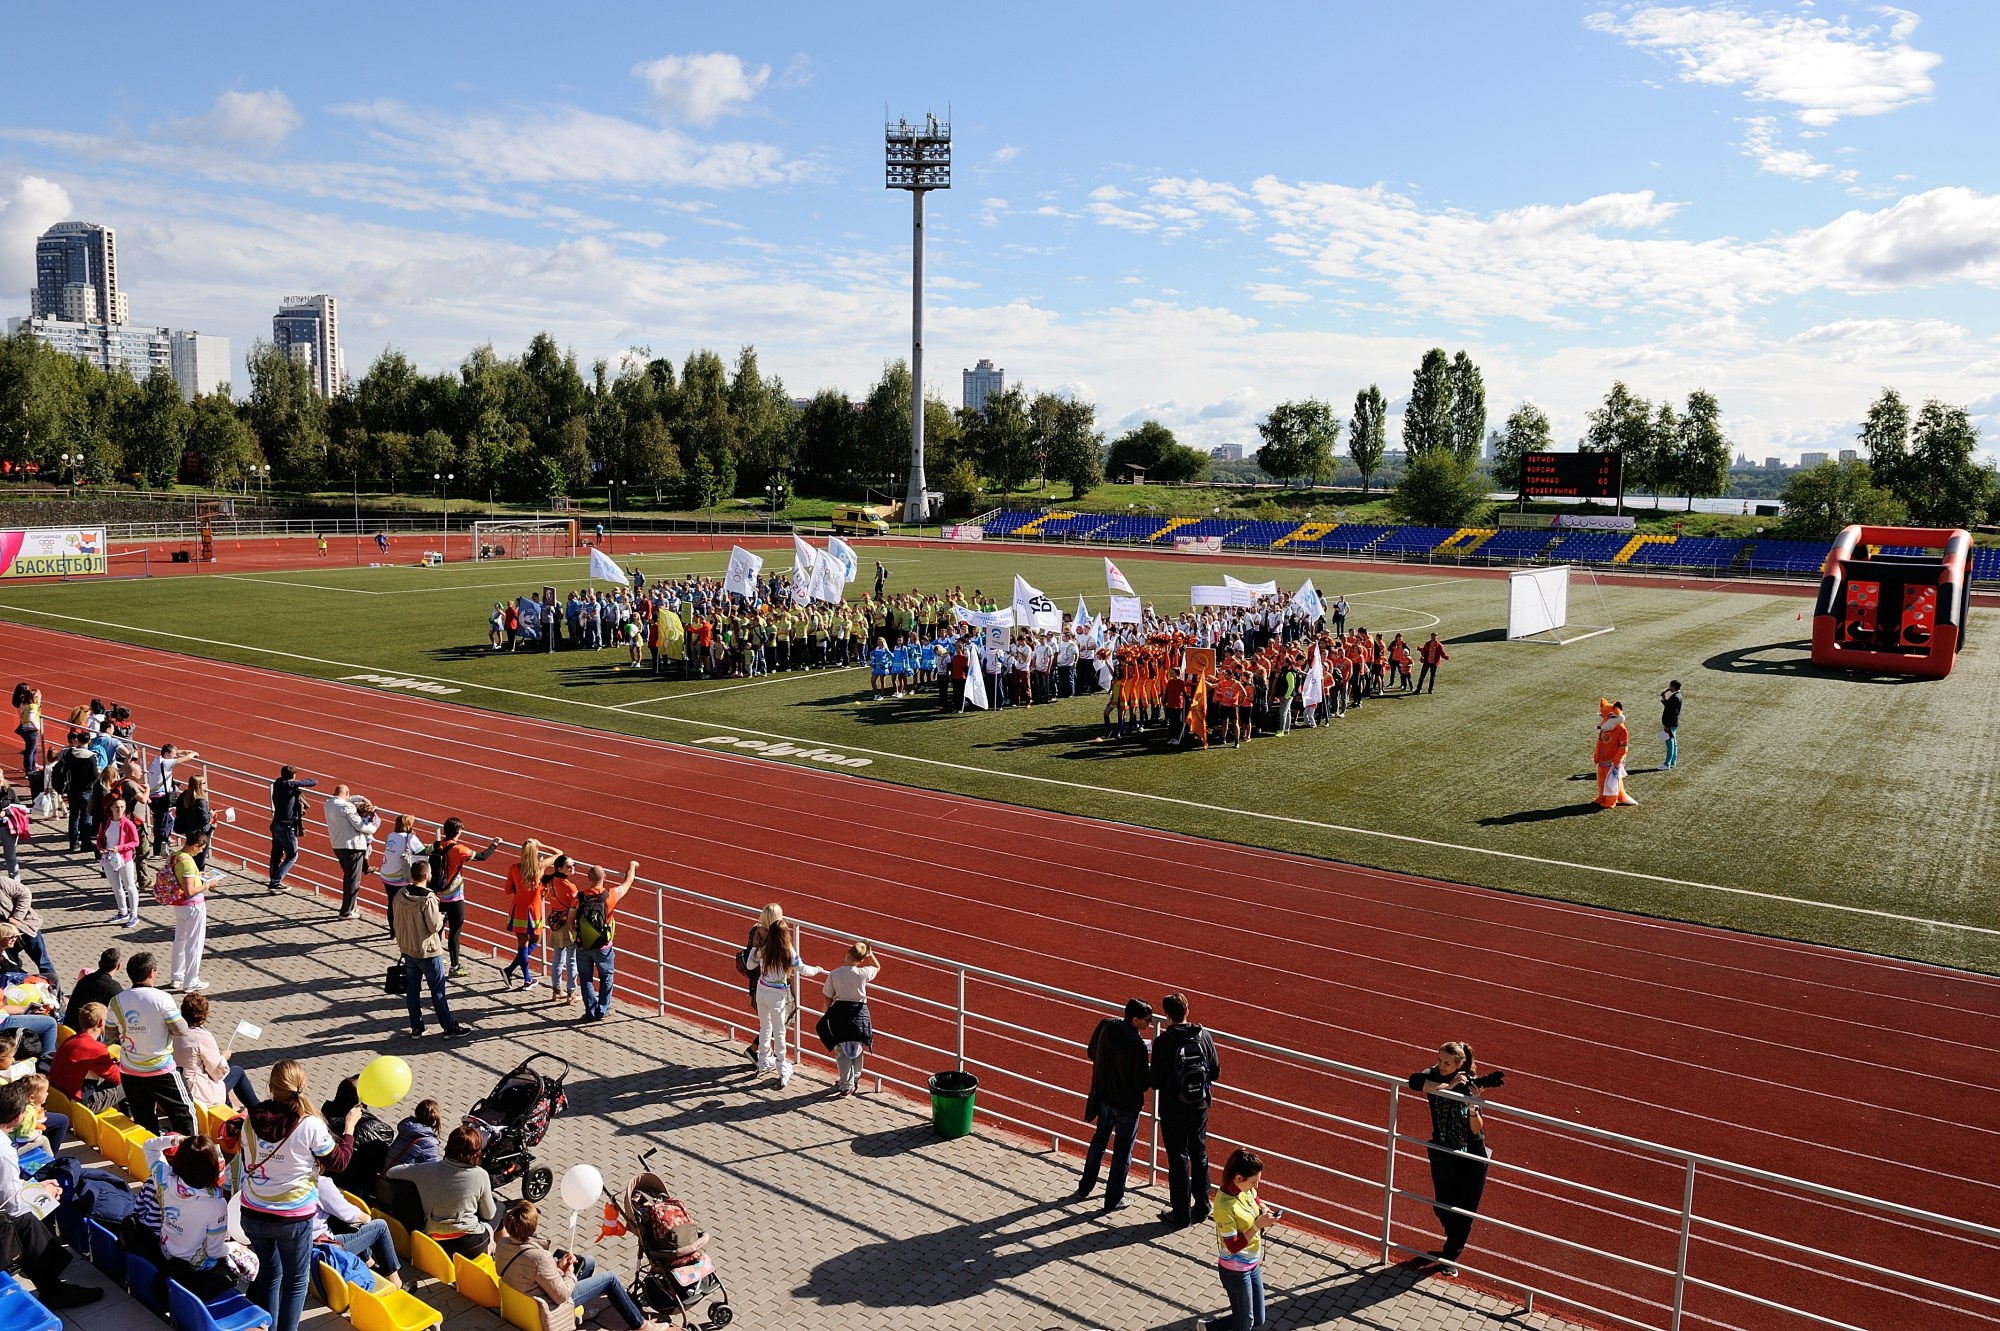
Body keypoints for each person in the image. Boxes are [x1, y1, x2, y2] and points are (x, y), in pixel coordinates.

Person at [243, 1060, 364, 1331]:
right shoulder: (310, 1125)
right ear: (302, 1086)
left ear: (271, 1087)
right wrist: (349, 1128)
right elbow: (340, 1162)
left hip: (252, 1211)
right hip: (291, 1218)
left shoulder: (252, 1118)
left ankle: (268, 1327)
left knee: (270, 1274)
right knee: (296, 1281)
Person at [0, 1079, 103, 1308]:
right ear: (18, 1118)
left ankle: (49, 1281)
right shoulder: (3, 1152)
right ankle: (52, 1288)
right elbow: (12, 1206)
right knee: (27, 1222)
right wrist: (40, 1192)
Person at [1409, 1041, 1505, 1276]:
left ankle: (1451, 1255)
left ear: (1459, 1064)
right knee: (1443, 1205)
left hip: (1473, 1153)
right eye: (1439, 1059)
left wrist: (1474, 1106)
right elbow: (1414, 1082)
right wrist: (1447, 1085)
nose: (1441, 1065)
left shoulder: (1469, 1086)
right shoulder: (1432, 1076)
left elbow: (1476, 1129)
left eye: (1447, 1063)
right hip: (1444, 1150)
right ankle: (1452, 1236)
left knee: (1465, 1210)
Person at [495, 1199, 665, 1330]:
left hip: (524, 1293)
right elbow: (561, 1295)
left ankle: (578, 1314)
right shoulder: (540, 1257)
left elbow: (526, 1271)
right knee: (610, 1279)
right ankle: (641, 1326)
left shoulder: (502, 1245)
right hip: (548, 1304)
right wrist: (568, 1272)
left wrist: (557, 1267)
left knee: (588, 1262)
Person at [1073, 999, 1151, 1212]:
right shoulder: (1137, 1046)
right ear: (1134, 1019)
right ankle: (1113, 1199)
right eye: (1147, 1020)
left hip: (1104, 1098)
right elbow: (1142, 1083)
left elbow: (1091, 1052)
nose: (1150, 1024)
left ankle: (1084, 1188)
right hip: (1127, 1106)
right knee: (1122, 1152)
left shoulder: (1106, 1025)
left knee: (1098, 1143)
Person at [1151, 991, 1221, 1230]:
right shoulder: (1204, 1036)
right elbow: (1216, 1072)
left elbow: (1156, 1081)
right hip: (1200, 1106)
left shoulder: (1163, 1042)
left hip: (1173, 1109)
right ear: (1187, 1011)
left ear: (1167, 1015)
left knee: (1178, 1158)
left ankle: (1180, 1214)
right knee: (1199, 1153)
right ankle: (1202, 1206)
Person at [109, 951, 197, 1134]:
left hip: (130, 1071)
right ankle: (191, 1155)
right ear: (152, 973)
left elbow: (110, 1035)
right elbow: (181, 1030)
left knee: (144, 1121)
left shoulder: (116, 1001)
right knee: (185, 1114)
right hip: (160, 1069)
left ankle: (151, 1157)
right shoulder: (162, 998)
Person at [145, 1132, 236, 1298]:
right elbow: (214, 1252)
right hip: (196, 1270)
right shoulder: (217, 1205)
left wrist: (174, 1140)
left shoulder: (162, 1178)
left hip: (166, 1253)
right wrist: (235, 1248)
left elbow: (149, 1147)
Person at [386, 1124, 498, 1259]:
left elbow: (391, 1173)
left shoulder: (426, 1169)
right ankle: (500, 1256)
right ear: (477, 1151)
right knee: (501, 1209)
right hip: (469, 1245)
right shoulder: (481, 1175)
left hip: (434, 1239)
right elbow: (489, 1214)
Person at [1203, 1147, 1279, 1331]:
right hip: (1235, 1272)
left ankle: (1209, 1328)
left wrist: (1263, 1207)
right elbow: (1233, 1246)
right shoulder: (1224, 1206)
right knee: (1245, 1323)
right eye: (1254, 1182)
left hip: (1252, 1264)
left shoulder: (1244, 1190)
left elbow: (1255, 1197)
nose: (1256, 1186)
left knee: (1257, 1318)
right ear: (1238, 1178)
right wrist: (1257, 1225)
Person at [394, 861, 467, 1039]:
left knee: (412, 991)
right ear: (426, 876)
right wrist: (442, 917)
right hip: (428, 951)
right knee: (438, 991)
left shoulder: (401, 894)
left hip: (409, 949)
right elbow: (434, 926)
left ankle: (417, 1027)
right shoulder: (429, 899)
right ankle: (449, 1027)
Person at [753, 914, 822, 1088]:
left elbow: (750, 963)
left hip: (761, 991)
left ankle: (762, 1061)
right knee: (779, 1030)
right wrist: (818, 970)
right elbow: (803, 968)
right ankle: (782, 1067)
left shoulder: (764, 948)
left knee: (765, 1026)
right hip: (776, 995)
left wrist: (755, 948)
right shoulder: (787, 951)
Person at [430, 818, 499, 977]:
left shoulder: (436, 845)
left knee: (437, 927)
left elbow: (422, 851)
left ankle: (436, 957)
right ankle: (455, 966)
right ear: (458, 832)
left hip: (438, 893)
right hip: (454, 897)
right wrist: (494, 844)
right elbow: (482, 857)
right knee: (455, 931)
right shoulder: (459, 849)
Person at [174, 993, 262, 1112]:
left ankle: (230, 1109)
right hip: (197, 1092)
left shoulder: (173, 1032)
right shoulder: (202, 1037)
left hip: (178, 1086)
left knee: (223, 1081)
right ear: (204, 1016)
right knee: (237, 1072)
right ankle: (259, 1111)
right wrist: (223, 1057)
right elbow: (216, 1071)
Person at [575, 860, 638, 1022]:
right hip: (603, 946)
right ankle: (602, 1010)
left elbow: (570, 920)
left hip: (582, 945)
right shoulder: (610, 895)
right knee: (607, 976)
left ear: (588, 878)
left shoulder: (580, 897)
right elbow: (628, 881)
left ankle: (590, 1011)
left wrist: (576, 937)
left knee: (586, 978)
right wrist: (631, 865)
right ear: (605, 877)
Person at [314, 1175, 404, 1287]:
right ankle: (395, 1282)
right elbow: (349, 1214)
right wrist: (368, 1218)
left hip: (303, 1248)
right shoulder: (320, 1183)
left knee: (354, 1227)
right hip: (324, 1250)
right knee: (380, 1227)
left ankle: (369, 1263)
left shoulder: (289, 1179)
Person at [818, 941, 882, 1098]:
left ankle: (846, 1084)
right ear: (861, 960)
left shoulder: (834, 974)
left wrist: (825, 1013)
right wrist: (870, 954)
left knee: (842, 1051)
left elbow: (827, 997)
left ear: (847, 953)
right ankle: (855, 1079)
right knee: (857, 1048)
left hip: (840, 1015)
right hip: (860, 1015)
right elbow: (877, 967)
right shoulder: (863, 973)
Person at [501, 839, 557, 990]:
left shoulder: (514, 868)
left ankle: (512, 971)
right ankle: (525, 978)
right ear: (536, 852)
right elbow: (559, 854)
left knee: (522, 945)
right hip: (534, 911)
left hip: (518, 909)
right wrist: (542, 844)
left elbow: (507, 890)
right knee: (535, 941)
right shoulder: (540, 866)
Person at [48, 1003, 122, 1111]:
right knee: (130, 1080)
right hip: (80, 1105)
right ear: (101, 1022)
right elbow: (118, 1079)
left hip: (59, 1097)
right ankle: (132, 1115)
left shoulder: (70, 1040)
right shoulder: (96, 1049)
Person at [324, 784, 380, 919]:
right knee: (352, 880)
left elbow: (345, 798)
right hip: (352, 846)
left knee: (349, 877)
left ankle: (350, 907)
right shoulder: (347, 807)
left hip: (338, 845)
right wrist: (374, 825)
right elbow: (361, 826)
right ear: (347, 793)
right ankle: (346, 911)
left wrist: (361, 798)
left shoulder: (328, 803)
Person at [166, 829, 212, 992]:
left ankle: (176, 976)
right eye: (201, 848)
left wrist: (199, 875)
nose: (201, 851)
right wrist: (207, 885)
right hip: (193, 906)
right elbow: (190, 891)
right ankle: (191, 981)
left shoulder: (175, 855)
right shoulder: (188, 862)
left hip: (180, 906)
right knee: (194, 943)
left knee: (180, 940)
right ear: (195, 845)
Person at [0, 872, 57, 989]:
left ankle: (55, 993)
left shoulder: (2, 883)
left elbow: (25, 894)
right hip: (4, 936)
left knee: (43, 962)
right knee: (12, 968)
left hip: (25, 928)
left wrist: (16, 917)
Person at [268, 765, 318, 892]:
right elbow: (313, 782)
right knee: (292, 855)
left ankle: (273, 880)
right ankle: (275, 881)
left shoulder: (278, 783)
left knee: (276, 854)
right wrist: (296, 783)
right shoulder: (289, 786)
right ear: (293, 776)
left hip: (276, 824)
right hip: (286, 826)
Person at [144, 741, 199, 854]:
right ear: (167, 754)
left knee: (167, 820)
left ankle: (163, 844)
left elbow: (174, 753)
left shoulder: (157, 759)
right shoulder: (166, 762)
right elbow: (183, 760)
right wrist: (192, 754)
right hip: (160, 798)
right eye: (173, 754)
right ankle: (159, 849)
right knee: (162, 823)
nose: (175, 756)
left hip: (155, 796)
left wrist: (182, 751)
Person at [378, 812, 425, 941]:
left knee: (392, 902)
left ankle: (393, 930)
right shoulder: (410, 838)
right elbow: (423, 852)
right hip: (399, 878)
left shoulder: (391, 835)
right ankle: (404, 930)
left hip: (386, 874)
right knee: (405, 904)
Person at [97, 794, 141, 927]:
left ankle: (134, 914)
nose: (119, 810)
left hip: (124, 859)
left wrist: (120, 848)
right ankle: (122, 911)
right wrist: (100, 848)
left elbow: (135, 842)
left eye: (122, 807)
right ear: (111, 808)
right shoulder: (106, 822)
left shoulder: (128, 824)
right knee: (116, 887)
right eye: (116, 807)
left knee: (130, 886)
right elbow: (100, 838)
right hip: (109, 858)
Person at [542, 854, 579, 1005]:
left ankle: (556, 990)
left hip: (555, 922)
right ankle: (571, 992)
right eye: (569, 866)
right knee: (571, 959)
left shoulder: (550, 880)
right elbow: (576, 906)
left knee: (557, 958)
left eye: (574, 865)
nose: (572, 868)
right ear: (560, 868)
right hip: (567, 924)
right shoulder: (569, 886)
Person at [62, 947, 123, 1031]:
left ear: (99, 963)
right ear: (118, 966)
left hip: (68, 1030)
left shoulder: (84, 980)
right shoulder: (114, 988)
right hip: (90, 1034)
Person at [1593, 699, 1638, 809]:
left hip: (1612, 762)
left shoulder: (1622, 730)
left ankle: (1611, 800)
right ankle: (1602, 796)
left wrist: (1617, 760)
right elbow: (1600, 742)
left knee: (1612, 782)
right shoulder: (1605, 728)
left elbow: (1623, 747)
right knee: (1601, 780)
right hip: (1602, 760)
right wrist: (1596, 754)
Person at [173, 772, 214, 870]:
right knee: (200, 858)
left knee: (191, 854)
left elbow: (178, 811)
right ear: (199, 785)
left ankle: (188, 874)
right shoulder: (201, 800)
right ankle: (197, 880)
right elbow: (204, 819)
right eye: (204, 783)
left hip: (189, 830)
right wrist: (211, 814)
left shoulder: (184, 795)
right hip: (201, 833)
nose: (206, 784)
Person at [1660, 680, 1683, 770]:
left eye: (1670, 686)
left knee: (1669, 743)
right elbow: (1669, 707)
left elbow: (1672, 713)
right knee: (1673, 742)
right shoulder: (1677, 696)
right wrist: (1663, 699)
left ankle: (1667, 764)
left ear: (1673, 687)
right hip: (1672, 724)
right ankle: (1672, 762)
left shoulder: (1675, 697)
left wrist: (1667, 725)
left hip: (1670, 724)